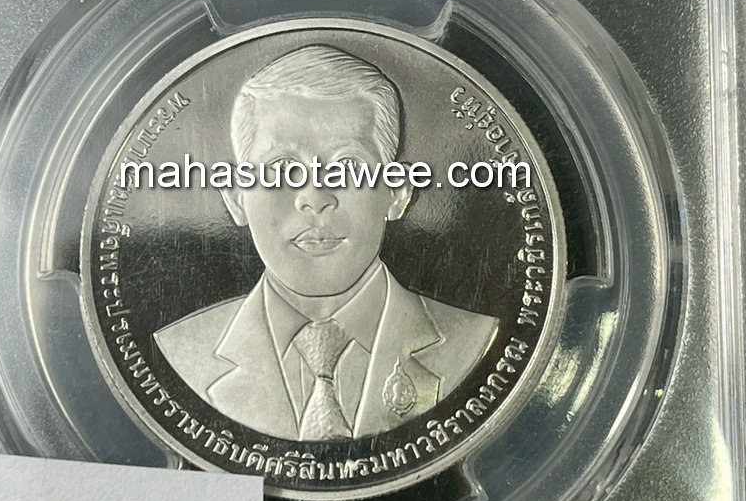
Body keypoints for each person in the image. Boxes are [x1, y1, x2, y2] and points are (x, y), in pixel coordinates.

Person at [154, 45, 498, 440]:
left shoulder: (477, 340)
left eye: (348, 166)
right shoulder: (179, 349)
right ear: (236, 197)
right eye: (283, 168)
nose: (315, 196)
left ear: (398, 192)